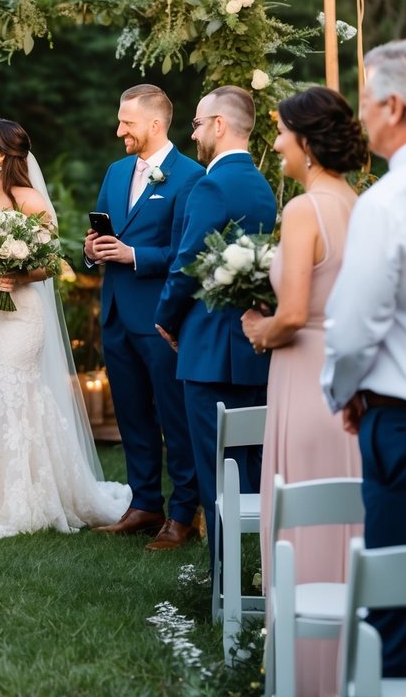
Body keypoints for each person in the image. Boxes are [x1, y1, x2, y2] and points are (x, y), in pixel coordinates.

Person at [241, 87, 366, 697]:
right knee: (346, 520)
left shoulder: (303, 210)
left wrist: (261, 331)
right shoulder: (358, 202)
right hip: (346, 377)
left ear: (307, 142)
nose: (278, 143)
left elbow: (292, 313)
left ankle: (305, 678)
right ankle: (353, 669)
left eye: (284, 133)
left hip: (301, 370)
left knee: (300, 524)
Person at [0, 117, 130, 538]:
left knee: (14, 392)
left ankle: (26, 499)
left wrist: (17, 274)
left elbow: (52, 263)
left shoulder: (28, 198)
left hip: (19, 315)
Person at [154, 85, 276, 569]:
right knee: (251, 469)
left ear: (220, 126)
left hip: (207, 349)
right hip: (251, 348)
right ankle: (262, 569)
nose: (195, 133)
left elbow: (188, 261)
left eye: (199, 124)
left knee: (215, 470)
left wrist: (164, 317)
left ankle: (222, 578)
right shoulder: (261, 185)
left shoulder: (210, 185)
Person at [85, 85, 203, 550]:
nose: (119, 131)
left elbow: (185, 252)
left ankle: (183, 513)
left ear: (155, 125)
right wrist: (93, 251)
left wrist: (135, 254)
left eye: (127, 123)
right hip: (115, 313)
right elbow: (102, 232)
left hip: (160, 318)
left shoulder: (190, 177)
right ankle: (144, 503)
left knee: (174, 419)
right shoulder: (116, 172)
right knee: (131, 415)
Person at [323, 40, 406, 679]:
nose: (361, 118)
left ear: (394, 107)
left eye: (366, 102)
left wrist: (343, 390)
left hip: (398, 418)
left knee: (396, 601)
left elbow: (354, 330)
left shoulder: (387, 202)